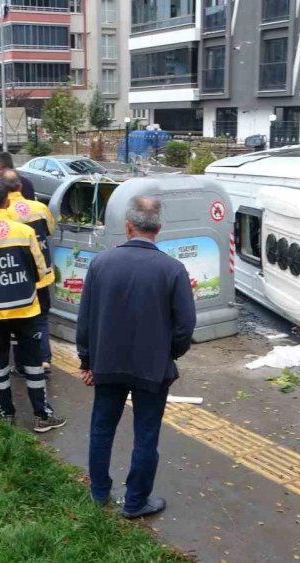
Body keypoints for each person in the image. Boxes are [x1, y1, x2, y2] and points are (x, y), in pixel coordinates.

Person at [76, 196, 196, 519]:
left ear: (128, 226)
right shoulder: (173, 270)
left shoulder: (100, 264)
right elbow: (185, 327)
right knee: (146, 434)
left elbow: (85, 320)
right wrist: (169, 353)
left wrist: (86, 361)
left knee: (102, 428)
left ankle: (99, 493)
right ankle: (135, 502)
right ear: (159, 228)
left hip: (108, 366)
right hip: (152, 370)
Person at [0, 183, 65, 433]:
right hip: (26, 308)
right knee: (32, 363)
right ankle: (41, 415)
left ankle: (5, 413)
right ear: (7, 203)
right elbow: (42, 270)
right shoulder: (25, 232)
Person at [0, 170, 55, 375]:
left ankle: (23, 364)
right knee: (41, 318)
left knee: (20, 320)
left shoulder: (3, 214)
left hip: (19, 277)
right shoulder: (40, 208)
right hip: (43, 274)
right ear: (20, 186)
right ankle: (45, 360)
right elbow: (50, 230)